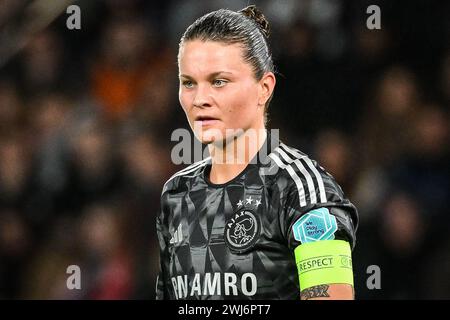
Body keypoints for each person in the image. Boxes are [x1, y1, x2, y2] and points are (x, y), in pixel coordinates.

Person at [156, 5, 358, 300]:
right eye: (188, 83)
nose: (200, 99)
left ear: (264, 88)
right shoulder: (175, 194)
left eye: (219, 81)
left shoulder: (301, 187)